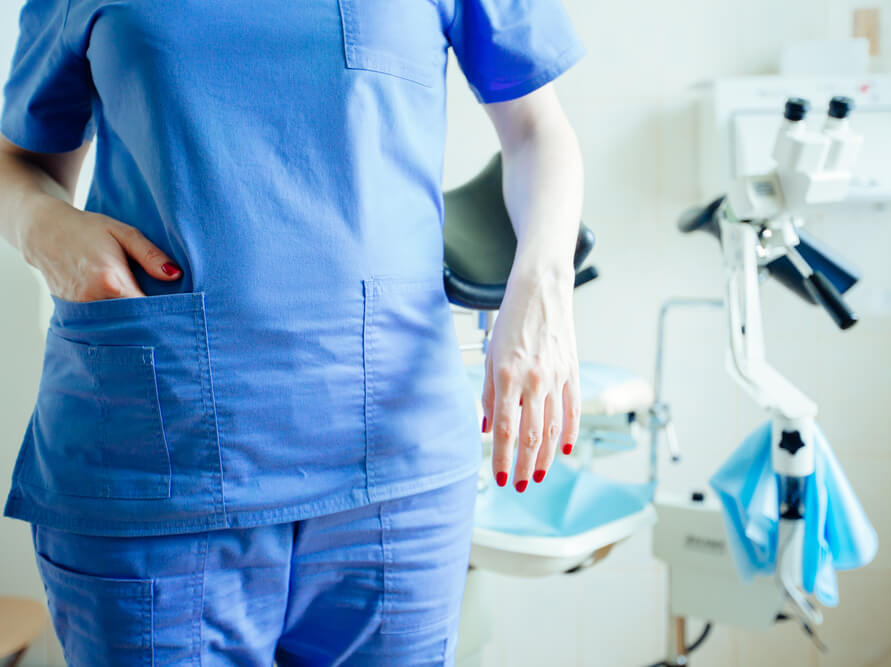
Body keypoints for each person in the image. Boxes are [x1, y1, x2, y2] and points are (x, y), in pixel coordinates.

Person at [0, 0, 585, 664]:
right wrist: (48, 231)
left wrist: (543, 286)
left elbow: (538, 129)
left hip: (393, 460)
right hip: (157, 460)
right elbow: (18, 164)